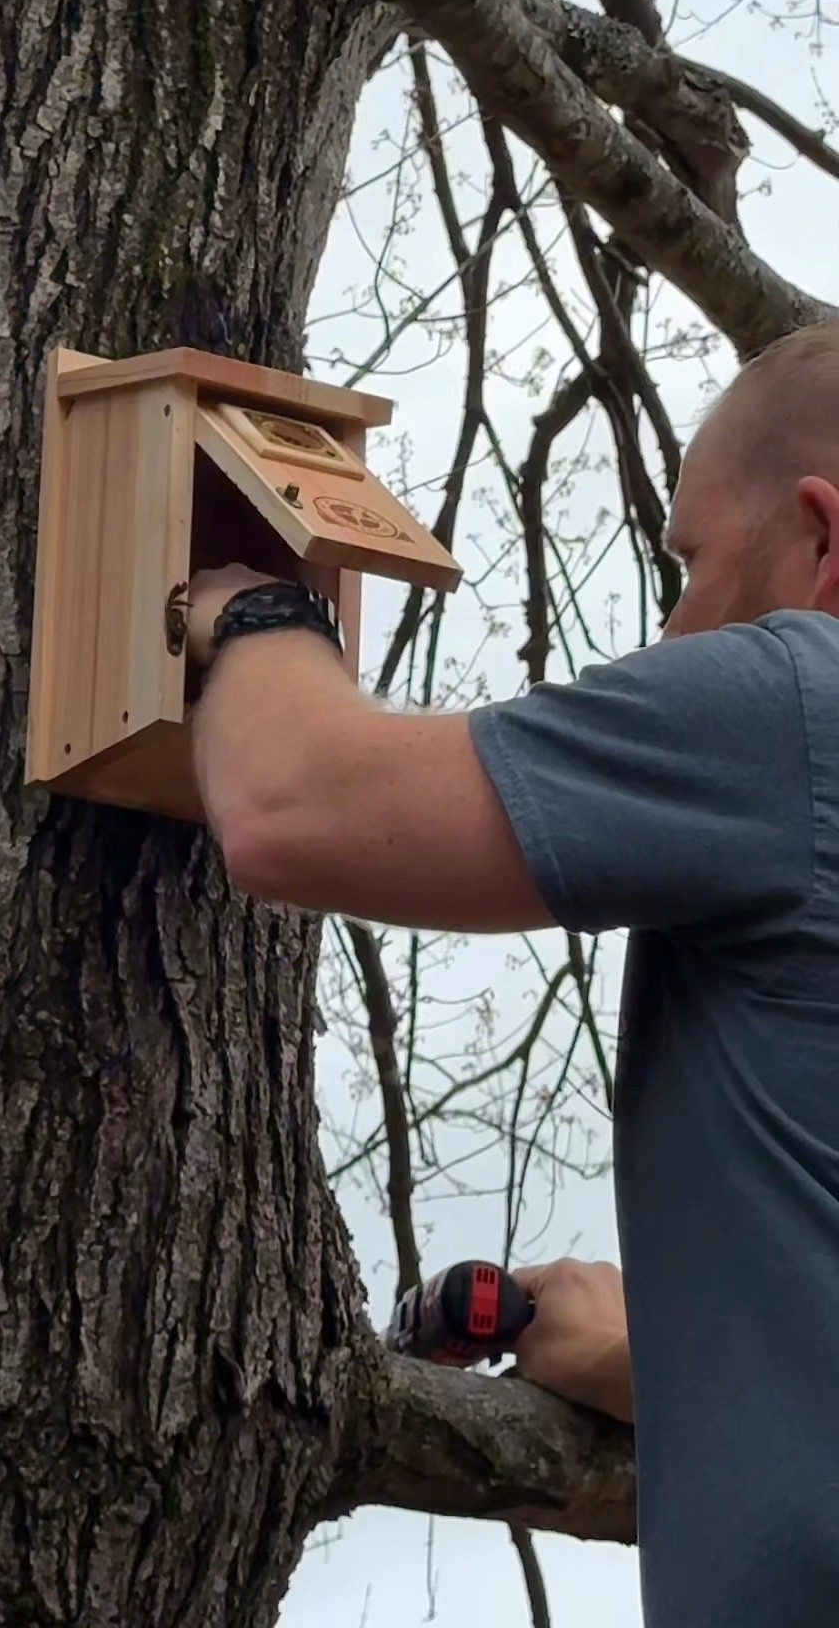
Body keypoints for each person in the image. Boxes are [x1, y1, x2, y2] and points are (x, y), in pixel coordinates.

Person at [186, 321, 839, 1628]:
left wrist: (239, 601)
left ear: (822, 540)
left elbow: (292, 803)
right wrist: (653, 1360)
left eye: (693, 560)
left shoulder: (801, 706)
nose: (672, 618)